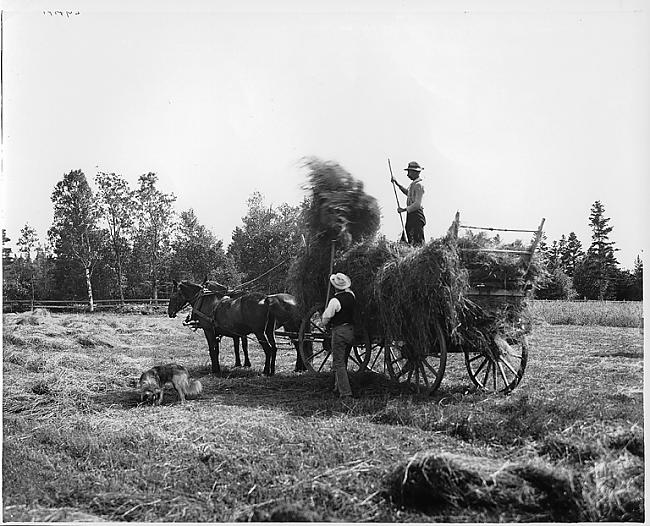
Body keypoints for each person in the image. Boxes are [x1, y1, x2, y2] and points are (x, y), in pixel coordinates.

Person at [321, 273, 356, 399]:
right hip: (351, 331)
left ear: (335, 288)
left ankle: (346, 393)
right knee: (344, 359)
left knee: (339, 363)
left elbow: (326, 318)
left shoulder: (335, 301)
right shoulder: (352, 295)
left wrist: (323, 323)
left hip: (340, 332)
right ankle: (337, 386)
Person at [392, 160, 426, 245]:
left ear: (415, 172)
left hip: (417, 216)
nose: (408, 175)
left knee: (417, 240)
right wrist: (397, 183)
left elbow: (417, 204)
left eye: (409, 172)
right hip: (411, 215)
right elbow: (408, 194)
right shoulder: (413, 185)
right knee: (407, 238)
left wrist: (404, 209)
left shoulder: (419, 185)